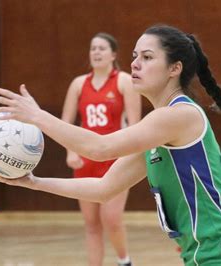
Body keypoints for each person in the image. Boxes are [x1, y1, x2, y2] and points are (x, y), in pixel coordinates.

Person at [0, 24, 221, 265]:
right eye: (135, 56)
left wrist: (38, 117)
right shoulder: (158, 132)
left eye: (147, 57)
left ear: (175, 68)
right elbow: (103, 189)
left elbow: (99, 148)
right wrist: (33, 182)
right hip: (201, 257)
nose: (134, 63)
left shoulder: (179, 115)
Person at [61, 32, 141, 266]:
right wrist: (70, 151)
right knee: (91, 223)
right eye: (93, 48)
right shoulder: (78, 84)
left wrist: (130, 156)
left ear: (113, 54)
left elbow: (136, 125)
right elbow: (65, 124)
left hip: (114, 158)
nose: (96, 52)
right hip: (86, 159)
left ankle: (124, 260)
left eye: (102, 48)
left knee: (112, 219)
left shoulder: (124, 81)